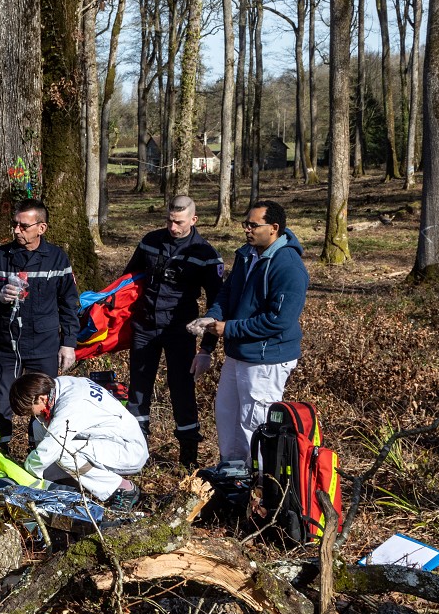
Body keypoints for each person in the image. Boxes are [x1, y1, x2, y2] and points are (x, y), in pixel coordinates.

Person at [187, 200, 309, 469]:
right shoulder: (247, 255)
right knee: (228, 417)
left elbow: (279, 320)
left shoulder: (288, 266)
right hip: (238, 354)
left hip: (266, 360)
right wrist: (210, 329)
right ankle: (231, 476)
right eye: (246, 224)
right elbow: (226, 295)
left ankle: (258, 485)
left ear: (274, 228)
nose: (247, 230)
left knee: (254, 425)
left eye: (254, 225)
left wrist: (229, 328)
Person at [123, 195, 225, 467]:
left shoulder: (205, 254)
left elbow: (218, 303)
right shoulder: (150, 241)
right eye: (169, 220)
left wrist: (207, 349)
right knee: (139, 389)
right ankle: (136, 451)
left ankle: (188, 456)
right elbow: (127, 281)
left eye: (179, 222)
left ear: (193, 220)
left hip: (180, 330)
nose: (172, 227)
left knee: (181, 389)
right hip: (145, 327)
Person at [0, 199, 81, 452]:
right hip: (6, 344)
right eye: (14, 224)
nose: (16, 230)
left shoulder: (57, 259)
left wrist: (68, 343)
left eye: (23, 226)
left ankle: (40, 455)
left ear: (41, 228)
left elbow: (69, 303)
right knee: (2, 401)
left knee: (43, 403)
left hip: (44, 344)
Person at [10, 371, 148, 506]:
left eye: (30, 410)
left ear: (41, 398)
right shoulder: (61, 385)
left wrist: (26, 475)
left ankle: (122, 488)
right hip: (105, 439)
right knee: (39, 426)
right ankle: (65, 482)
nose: (32, 415)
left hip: (127, 449)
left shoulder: (72, 403)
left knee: (63, 452)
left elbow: (53, 446)